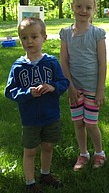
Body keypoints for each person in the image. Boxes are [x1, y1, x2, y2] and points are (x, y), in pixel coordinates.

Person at [4, 17, 69, 192]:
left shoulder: (51, 62)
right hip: (30, 118)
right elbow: (9, 91)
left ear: (44, 38)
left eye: (34, 37)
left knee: (48, 146)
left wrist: (52, 86)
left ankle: (45, 174)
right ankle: (30, 183)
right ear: (20, 40)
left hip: (51, 115)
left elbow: (64, 83)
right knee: (30, 150)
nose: (29, 41)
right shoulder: (18, 66)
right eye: (24, 38)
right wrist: (27, 93)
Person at [59, 0, 107, 171]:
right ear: (72, 7)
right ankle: (83, 153)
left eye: (88, 7)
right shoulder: (65, 33)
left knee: (91, 123)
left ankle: (99, 153)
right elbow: (63, 62)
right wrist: (70, 87)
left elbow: (103, 63)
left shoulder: (97, 33)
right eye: (79, 6)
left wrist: (100, 89)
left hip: (92, 88)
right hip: (74, 88)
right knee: (78, 123)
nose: (83, 10)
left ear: (94, 9)